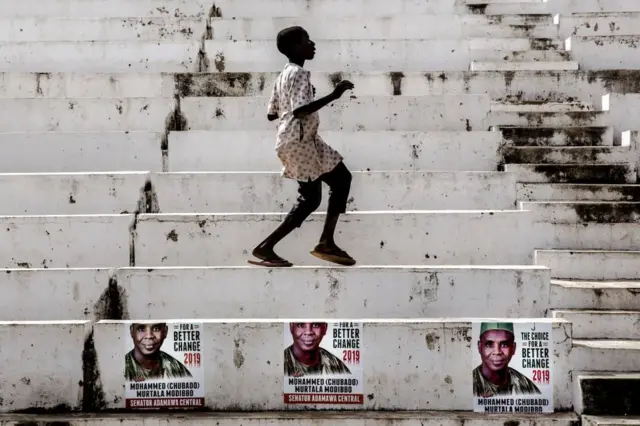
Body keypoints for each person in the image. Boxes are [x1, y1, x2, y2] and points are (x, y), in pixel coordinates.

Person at [248, 26, 356, 268]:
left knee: (341, 180)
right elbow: (299, 110)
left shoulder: (284, 75)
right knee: (311, 199)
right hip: (299, 141)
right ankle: (268, 247)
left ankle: (326, 241)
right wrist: (334, 95)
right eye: (307, 40)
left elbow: (271, 114)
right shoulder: (298, 74)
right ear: (296, 47)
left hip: (301, 139)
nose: (312, 43)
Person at [473, 322, 541, 397]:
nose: (497, 352)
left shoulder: (525, 385)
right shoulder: (469, 385)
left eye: (504, 345)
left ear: (513, 348)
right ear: (479, 347)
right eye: (489, 344)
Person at [124, 322, 192, 381]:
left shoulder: (177, 368)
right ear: (132, 331)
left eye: (156, 329)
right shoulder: (122, 368)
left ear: (165, 331)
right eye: (141, 329)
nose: (149, 336)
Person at [284, 322, 351, 376]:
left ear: (325, 328)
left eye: (316, 325)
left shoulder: (335, 364)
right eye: (301, 325)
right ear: (291, 327)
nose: (308, 332)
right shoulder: (280, 363)